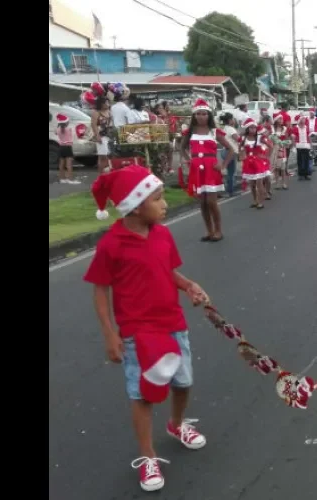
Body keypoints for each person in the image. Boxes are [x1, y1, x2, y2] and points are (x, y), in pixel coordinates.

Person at [84, 165, 210, 492]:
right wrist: (110, 333)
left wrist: (188, 285)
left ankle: (177, 424)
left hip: (172, 324)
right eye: (158, 198)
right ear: (137, 205)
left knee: (183, 382)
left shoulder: (163, 234)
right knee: (142, 394)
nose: (165, 203)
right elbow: (100, 288)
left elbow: (167, 271)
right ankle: (147, 455)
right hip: (137, 334)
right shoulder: (112, 245)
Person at [180, 99, 235, 242]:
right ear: (194, 115)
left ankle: (218, 230)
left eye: (204, 114)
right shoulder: (190, 131)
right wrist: (188, 160)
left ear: (208, 115)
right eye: (198, 114)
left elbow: (231, 149)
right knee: (203, 202)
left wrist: (222, 165)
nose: (201, 116)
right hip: (197, 169)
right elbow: (181, 147)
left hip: (211, 169)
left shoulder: (214, 131)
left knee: (211, 201)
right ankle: (209, 230)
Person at [239, 118, 271, 209]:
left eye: (254, 127)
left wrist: (266, 156)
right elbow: (240, 148)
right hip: (249, 163)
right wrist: (242, 156)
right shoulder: (243, 138)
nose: (253, 129)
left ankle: (260, 202)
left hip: (258, 163)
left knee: (259, 183)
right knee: (252, 184)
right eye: (251, 128)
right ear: (247, 128)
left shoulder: (260, 137)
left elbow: (270, 146)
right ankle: (255, 200)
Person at [218, 112, 240, 197]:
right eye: (233, 119)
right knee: (231, 172)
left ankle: (229, 189)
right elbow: (238, 139)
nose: (234, 120)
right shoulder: (231, 129)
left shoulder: (225, 128)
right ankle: (230, 191)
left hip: (225, 151)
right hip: (231, 152)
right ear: (230, 120)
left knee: (230, 172)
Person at [55, 113, 79, 184]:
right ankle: (70, 179)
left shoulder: (57, 129)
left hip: (61, 148)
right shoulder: (69, 129)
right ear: (66, 122)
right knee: (69, 165)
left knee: (61, 164)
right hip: (68, 147)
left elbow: (56, 132)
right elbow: (73, 136)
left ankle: (62, 178)